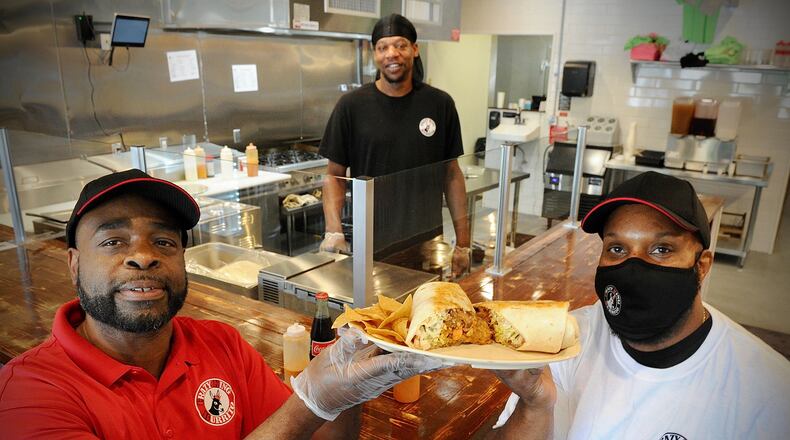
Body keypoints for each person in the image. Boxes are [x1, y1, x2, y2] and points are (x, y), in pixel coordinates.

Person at [0, 169, 442, 439]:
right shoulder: (29, 393)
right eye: (114, 240)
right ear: (74, 264)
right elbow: (301, 417)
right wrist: (311, 401)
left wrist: (348, 392)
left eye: (164, 241)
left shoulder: (222, 345)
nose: (144, 254)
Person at [491, 171, 790, 439]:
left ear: (702, 266)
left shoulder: (768, 391)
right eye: (617, 248)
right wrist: (534, 404)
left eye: (662, 249)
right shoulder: (568, 339)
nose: (633, 268)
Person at [318, 13, 471, 278]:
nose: (392, 54)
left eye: (400, 45)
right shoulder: (351, 106)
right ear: (374, 54)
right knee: (372, 319)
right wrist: (334, 231)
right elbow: (334, 176)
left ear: (414, 49)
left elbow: (452, 174)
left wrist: (464, 244)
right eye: (383, 47)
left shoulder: (440, 104)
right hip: (370, 244)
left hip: (427, 244)